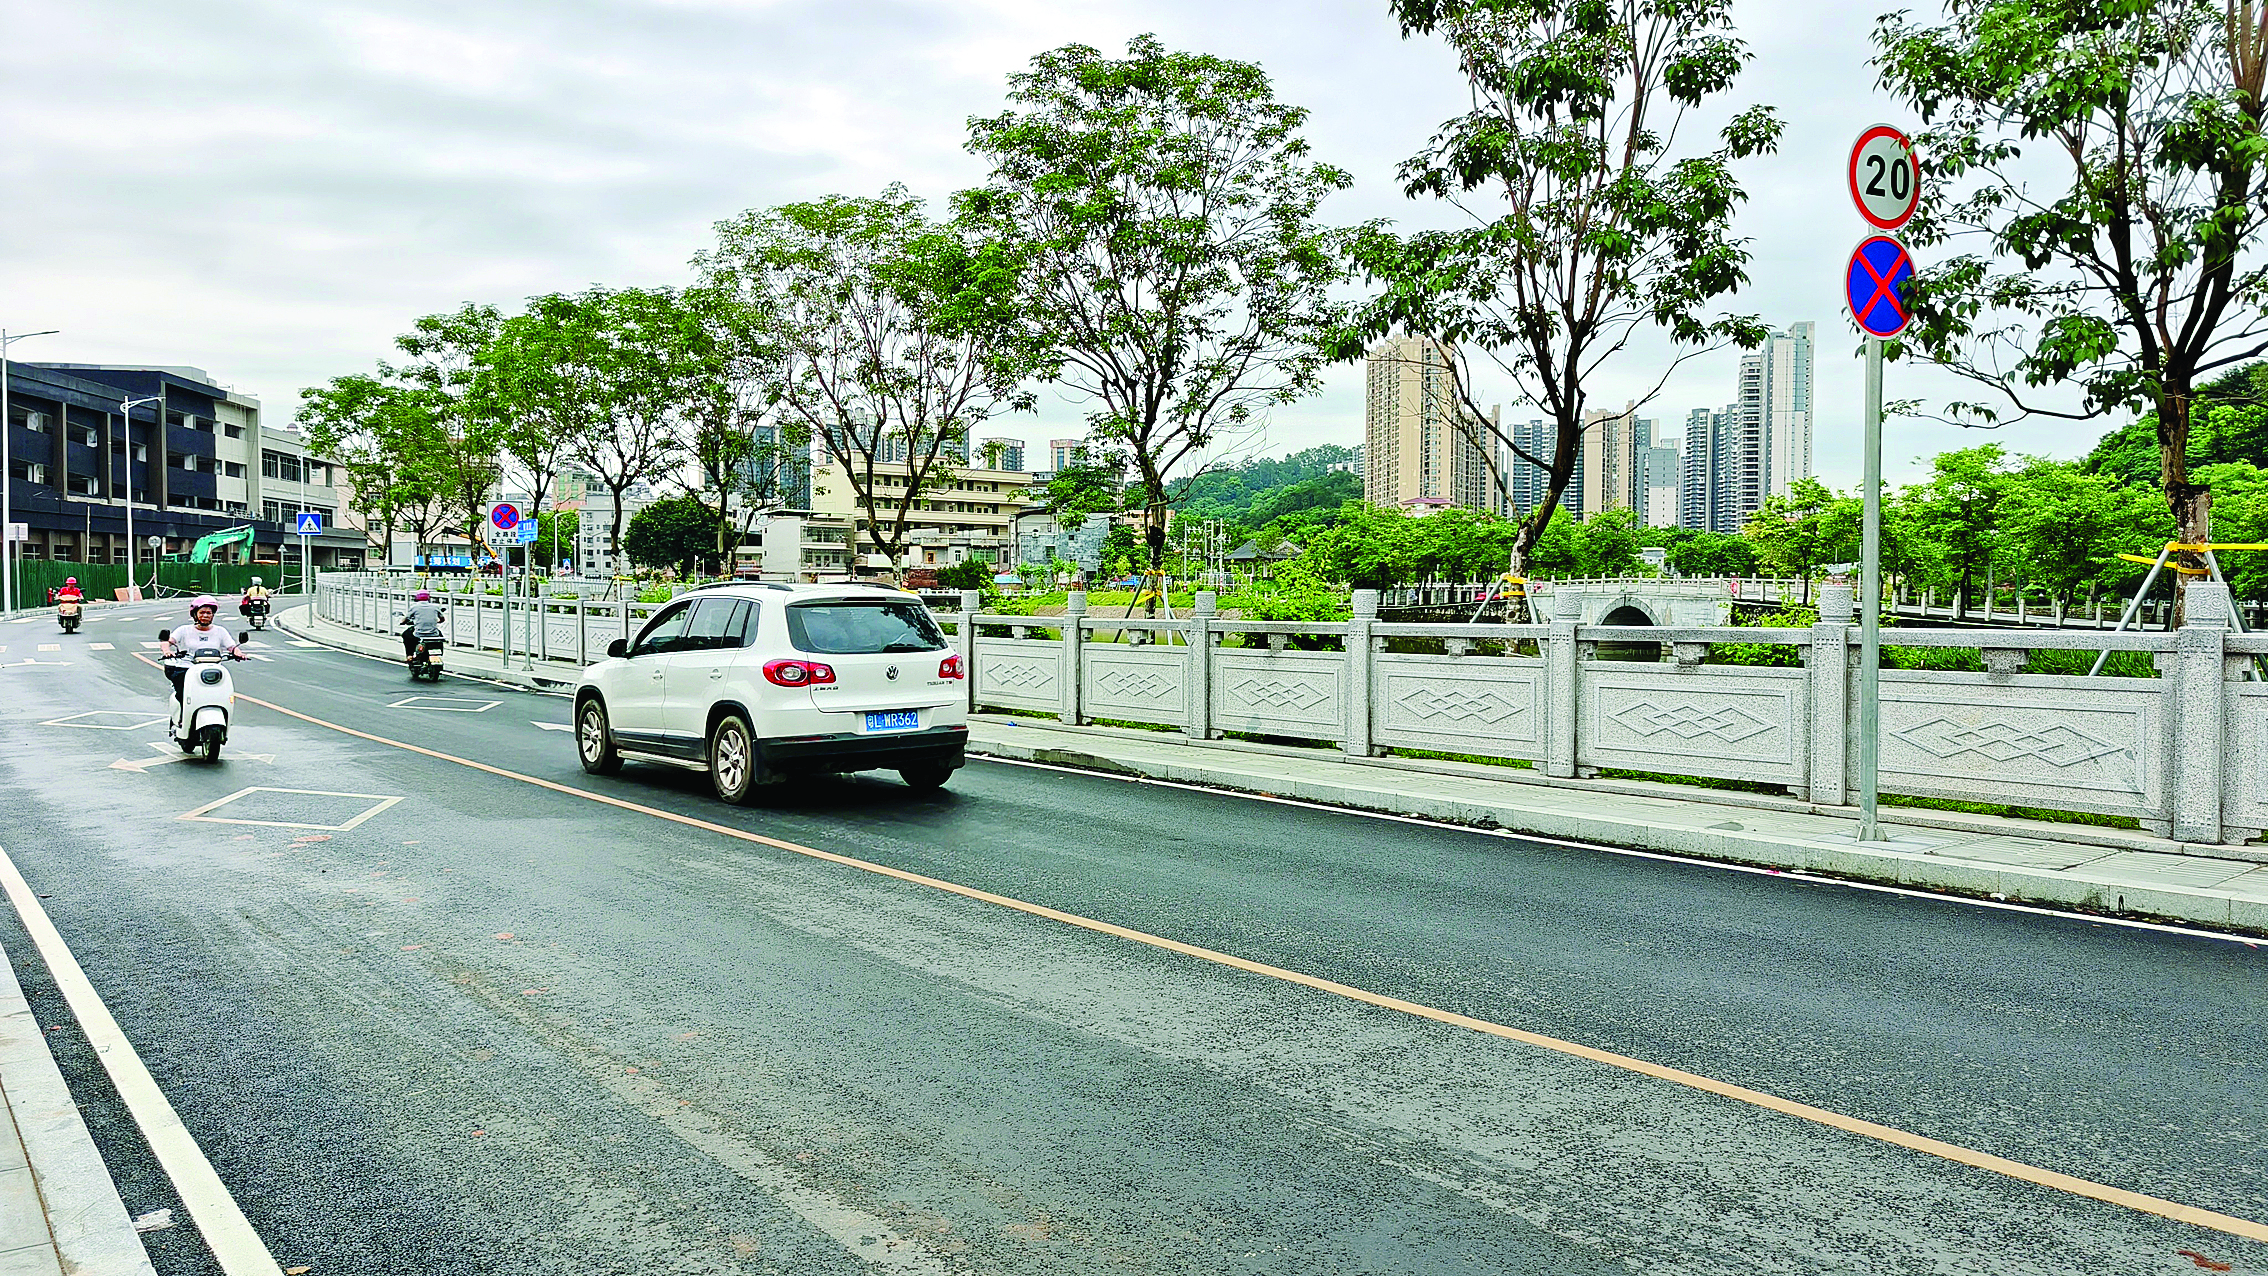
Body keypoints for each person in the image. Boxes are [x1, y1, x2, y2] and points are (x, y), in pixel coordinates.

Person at [161, 595, 245, 707]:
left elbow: (232, 647)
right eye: (202, 612)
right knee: (183, 692)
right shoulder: (183, 630)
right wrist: (167, 651)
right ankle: (183, 715)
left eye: (208, 613)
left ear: (213, 615)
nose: (205, 615)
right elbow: (167, 642)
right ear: (195, 614)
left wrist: (238, 653)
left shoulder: (220, 631)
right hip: (187, 668)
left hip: (212, 669)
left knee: (222, 691)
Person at [399, 589, 446, 658]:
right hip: (433, 633)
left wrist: (402, 622)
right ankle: (439, 652)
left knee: (406, 634)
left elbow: (405, 619)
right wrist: (438, 621)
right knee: (440, 637)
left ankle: (409, 655)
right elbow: (442, 619)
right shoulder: (435, 607)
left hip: (419, 633)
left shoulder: (414, 607)